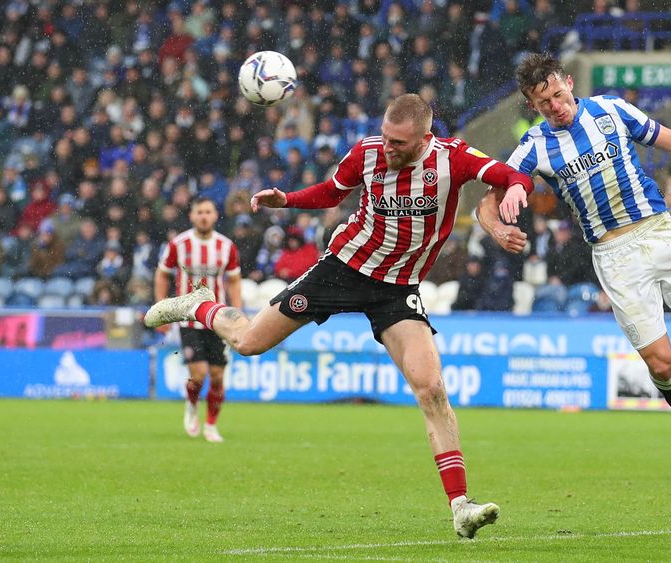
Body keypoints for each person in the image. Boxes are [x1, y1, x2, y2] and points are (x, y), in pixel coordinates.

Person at [144, 94, 532, 538]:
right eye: (386, 136)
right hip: (342, 269)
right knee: (249, 343)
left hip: (396, 289)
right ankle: (198, 304)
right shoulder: (367, 153)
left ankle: (461, 506)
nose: (388, 147)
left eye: (399, 142)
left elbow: (510, 174)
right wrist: (286, 199)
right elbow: (333, 191)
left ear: (426, 138)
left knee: (431, 388)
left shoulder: (454, 158)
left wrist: (516, 191)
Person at [478, 53, 671, 483]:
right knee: (660, 365)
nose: (556, 107)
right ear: (532, 104)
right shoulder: (534, 146)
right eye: (544, 104)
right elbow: (488, 202)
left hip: (659, 231)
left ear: (568, 82)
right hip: (614, 255)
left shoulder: (611, 110)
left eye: (559, 96)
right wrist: (497, 229)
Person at [154, 196, 242, 443]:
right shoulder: (178, 244)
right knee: (199, 374)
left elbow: (234, 282)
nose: (204, 216)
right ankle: (192, 407)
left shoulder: (227, 246)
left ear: (215, 215)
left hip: (219, 320)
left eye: (208, 211)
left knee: (217, 376)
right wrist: (162, 308)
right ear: (192, 216)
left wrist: (237, 314)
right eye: (199, 212)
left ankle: (211, 425)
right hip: (188, 320)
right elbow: (162, 275)